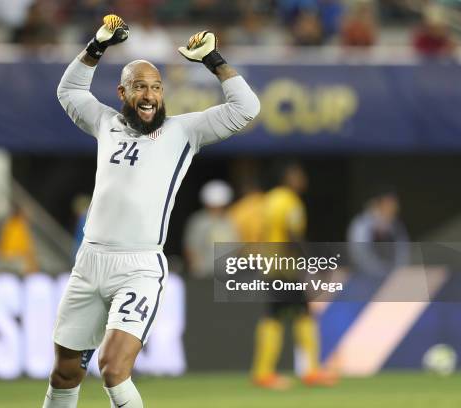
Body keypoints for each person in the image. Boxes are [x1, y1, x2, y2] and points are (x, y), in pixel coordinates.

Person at [45, 14, 260, 408]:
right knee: (65, 372)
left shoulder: (183, 132)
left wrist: (213, 60)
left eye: (156, 88)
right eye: (140, 87)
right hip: (90, 260)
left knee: (112, 367)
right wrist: (97, 45)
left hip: (139, 266)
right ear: (123, 92)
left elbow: (246, 107)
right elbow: (69, 90)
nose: (149, 95)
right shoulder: (106, 123)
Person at [251, 161, 334, 389]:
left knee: (282, 315)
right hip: (285, 267)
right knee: (298, 314)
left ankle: (266, 372)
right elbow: (292, 235)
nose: (302, 179)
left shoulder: (270, 199)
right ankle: (307, 371)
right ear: (288, 177)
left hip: (270, 264)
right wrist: (313, 261)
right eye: (298, 175)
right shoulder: (290, 201)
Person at [184, 180, 239, 279]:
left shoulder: (231, 220)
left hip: (228, 275)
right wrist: (197, 268)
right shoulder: (199, 221)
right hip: (205, 275)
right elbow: (190, 247)